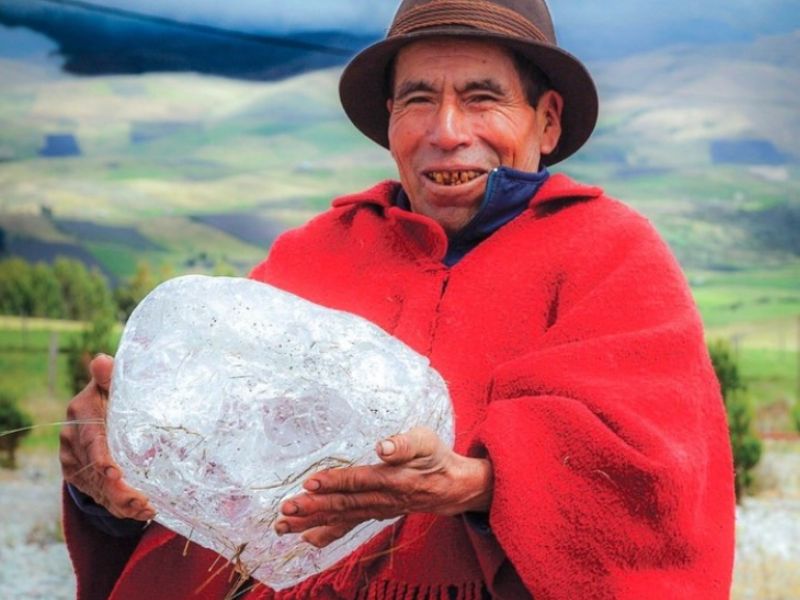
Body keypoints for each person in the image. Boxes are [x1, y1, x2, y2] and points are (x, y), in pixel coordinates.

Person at [59, 1, 736, 598]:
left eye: (481, 97)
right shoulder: (313, 255)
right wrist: (115, 457)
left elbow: (658, 475)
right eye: (417, 99)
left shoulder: (612, 254)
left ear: (547, 120)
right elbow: (212, 466)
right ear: (389, 123)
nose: (446, 130)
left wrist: (477, 481)